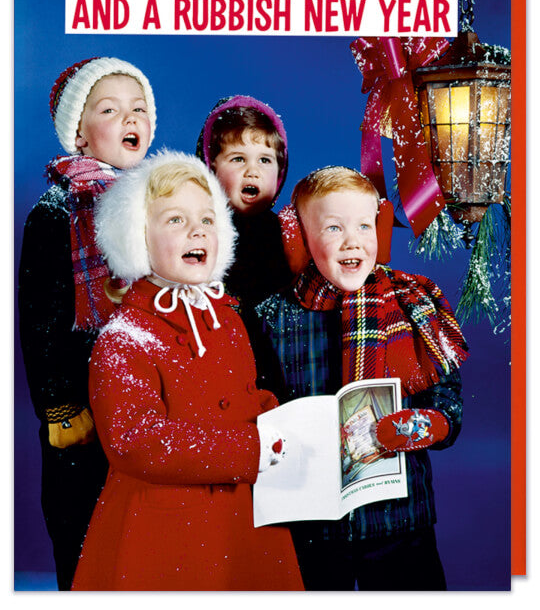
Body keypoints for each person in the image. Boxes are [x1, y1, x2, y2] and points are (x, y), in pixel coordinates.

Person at [71, 151, 304, 591]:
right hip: (165, 528)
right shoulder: (124, 337)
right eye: (175, 220)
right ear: (136, 238)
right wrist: (249, 449)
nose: (197, 229)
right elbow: (135, 440)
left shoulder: (227, 317)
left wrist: (275, 416)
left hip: (241, 517)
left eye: (208, 219)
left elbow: (242, 394)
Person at [254, 166, 468, 591]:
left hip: (400, 521)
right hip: (309, 526)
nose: (353, 241)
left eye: (364, 226)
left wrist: (428, 424)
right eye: (334, 227)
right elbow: (254, 399)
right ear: (298, 237)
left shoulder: (411, 302)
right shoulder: (272, 317)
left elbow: (448, 399)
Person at [18, 57, 156, 590]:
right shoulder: (58, 211)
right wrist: (61, 405)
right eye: (110, 109)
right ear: (79, 132)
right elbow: (39, 320)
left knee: (141, 543)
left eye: (139, 109)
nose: (130, 119)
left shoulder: (161, 200)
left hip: (144, 402)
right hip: (86, 407)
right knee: (86, 544)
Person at [196, 95, 292, 312]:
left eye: (265, 160)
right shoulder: (202, 228)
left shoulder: (287, 234)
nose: (253, 171)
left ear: (280, 172)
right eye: (238, 159)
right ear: (212, 168)